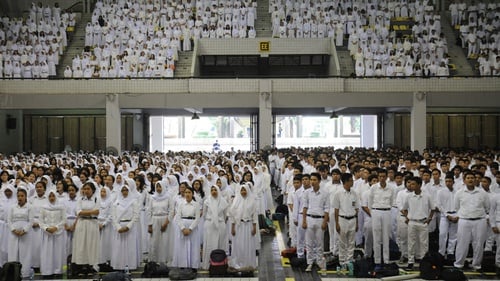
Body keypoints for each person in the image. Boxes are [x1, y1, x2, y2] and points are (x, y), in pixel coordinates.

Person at [453, 171, 490, 270]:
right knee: (462, 243)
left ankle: (476, 265)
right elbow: (456, 207)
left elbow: (487, 207)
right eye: (468, 178)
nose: (470, 180)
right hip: (464, 220)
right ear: (464, 180)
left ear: (475, 180)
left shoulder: (482, 193)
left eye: (472, 178)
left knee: (478, 244)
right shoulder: (459, 193)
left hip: (480, 220)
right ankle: (459, 264)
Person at [402, 177, 436, 270]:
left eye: (413, 184)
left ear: (419, 185)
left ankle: (423, 261)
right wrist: (407, 217)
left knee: (424, 244)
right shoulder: (408, 196)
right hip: (412, 222)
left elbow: (433, 209)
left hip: (423, 221)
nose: (411, 185)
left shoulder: (427, 196)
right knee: (411, 243)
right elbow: (404, 209)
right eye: (410, 184)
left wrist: (429, 219)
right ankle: (410, 261)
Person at [302, 172, 329, 272]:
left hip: (320, 219)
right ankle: (309, 263)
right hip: (309, 218)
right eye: (311, 180)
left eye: (314, 180)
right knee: (309, 243)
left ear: (319, 181)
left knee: (319, 243)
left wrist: (325, 222)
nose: (312, 182)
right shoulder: (307, 192)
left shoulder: (325, 193)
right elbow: (305, 207)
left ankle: (319, 262)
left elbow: (327, 209)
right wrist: (304, 221)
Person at [368, 169, 395, 270]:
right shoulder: (374, 188)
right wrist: (374, 212)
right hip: (375, 211)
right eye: (380, 177)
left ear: (387, 177)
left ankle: (386, 261)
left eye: (384, 176)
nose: (382, 178)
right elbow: (370, 202)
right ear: (378, 177)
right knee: (377, 238)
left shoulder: (391, 188)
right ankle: (377, 261)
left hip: (387, 211)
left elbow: (392, 202)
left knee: (386, 237)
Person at [72, 182, 100, 277]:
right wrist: (90, 212)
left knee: (91, 245)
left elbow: (97, 212)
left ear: (93, 190)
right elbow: (78, 212)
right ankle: (82, 266)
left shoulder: (96, 199)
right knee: (81, 245)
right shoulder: (80, 199)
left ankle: (91, 266)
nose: (86, 191)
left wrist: (85, 212)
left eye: (88, 189)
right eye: (85, 189)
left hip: (92, 224)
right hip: (81, 223)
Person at [110, 184, 140, 271]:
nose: (124, 192)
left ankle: (130, 265)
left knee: (130, 248)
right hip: (119, 228)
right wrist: (118, 227)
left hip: (130, 227)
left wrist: (128, 226)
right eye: (122, 190)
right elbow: (113, 216)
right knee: (119, 247)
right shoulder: (116, 203)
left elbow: (136, 215)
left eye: (126, 190)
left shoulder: (133, 202)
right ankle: (119, 266)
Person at [229, 183, 258, 270]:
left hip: (248, 226)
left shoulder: (252, 201)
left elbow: (254, 215)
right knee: (238, 245)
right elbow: (233, 215)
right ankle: (237, 263)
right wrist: (232, 227)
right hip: (239, 226)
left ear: (248, 191)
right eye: (241, 190)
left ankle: (248, 263)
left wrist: (254, 227)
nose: (243, 192)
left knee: (248, 245)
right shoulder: (236, 201)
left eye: (244, 190)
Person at [172, 185, 201, 270]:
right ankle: (182, 264)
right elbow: (178, 217)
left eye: (189, 192)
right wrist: (183, 228)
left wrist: (190, 228)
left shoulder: (196, 205)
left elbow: (197, 218)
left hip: (192, 227)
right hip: (182, 227)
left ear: (192, 194)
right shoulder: (181, 204)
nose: (187, 194)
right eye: (186, 192)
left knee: (193, 246)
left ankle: (193, 265)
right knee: (182, 246)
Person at [333, 173, 359, 267]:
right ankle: (342, 260)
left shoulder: (354, 193)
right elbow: (336, 209)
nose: (352, 182)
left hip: (352, 219)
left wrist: (357, 222)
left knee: (351, 242)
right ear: (346, 182)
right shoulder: (338, 193)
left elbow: (356, 208)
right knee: (342, 241)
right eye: (351, 180)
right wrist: (336, 223)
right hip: (342, 219)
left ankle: (350, 260)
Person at [39, 190, 67, 277]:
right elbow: (41, 221)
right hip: (47, 233)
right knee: (47, 252)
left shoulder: (61, 207)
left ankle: (58, 270)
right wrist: (46, 228)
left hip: (58, 233)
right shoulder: (44, 207)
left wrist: (56, 227)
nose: (51, 198)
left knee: (58, 252)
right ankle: (47, 271)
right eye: (50, 196)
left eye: (53, 196)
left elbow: (64, 219)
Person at [7, 188, 33, 278]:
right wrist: (14, 230)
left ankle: (25, 273)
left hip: (25, 234)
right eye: (18, 196)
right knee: (13, 252)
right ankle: (13, 273)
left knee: (25, 253)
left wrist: (24, 230)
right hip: (13, 233)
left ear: (26, 197)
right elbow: (9, 220)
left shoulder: (30, 207)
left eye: (22, 196)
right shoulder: (12, 207)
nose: (20, 198)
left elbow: (31, 221)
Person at [202, 185, 229, 269]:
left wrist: (218, 220)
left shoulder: (223, 202)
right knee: (209, 244)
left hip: (220, 225)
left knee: (220, 243)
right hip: (209, 225)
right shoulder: (207, 201)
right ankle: (208, 264)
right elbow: (204, 214)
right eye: (212, 190)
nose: (214, 191)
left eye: (215, 190)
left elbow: (225, 216)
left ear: (218, 191)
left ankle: (220, 264)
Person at [147, 181, 171, 264]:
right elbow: (149, 211)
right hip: (154, 220)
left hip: (165, 219)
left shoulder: (168, 197)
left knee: (164, 241)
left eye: (160, 186)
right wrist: (149, 225)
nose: (158, 188)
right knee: (154, 241)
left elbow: (171, 211)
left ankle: (164, 261)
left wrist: (166, 223)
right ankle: (154, 261)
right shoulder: (152, 197)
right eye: (157, 187)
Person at [437, 173, 458, 261]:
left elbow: (461, 205)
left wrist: (458, 215)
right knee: (442, 234)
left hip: (455, 214)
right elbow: (439, 205)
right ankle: (441, 253)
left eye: (450, 181)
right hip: (445, 215)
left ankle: (450, 253)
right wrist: (446, 215)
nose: (448, 183)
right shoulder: (441, 192)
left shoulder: (458, 192)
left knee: (453, 236)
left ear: (453, 182)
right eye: (446, 181)